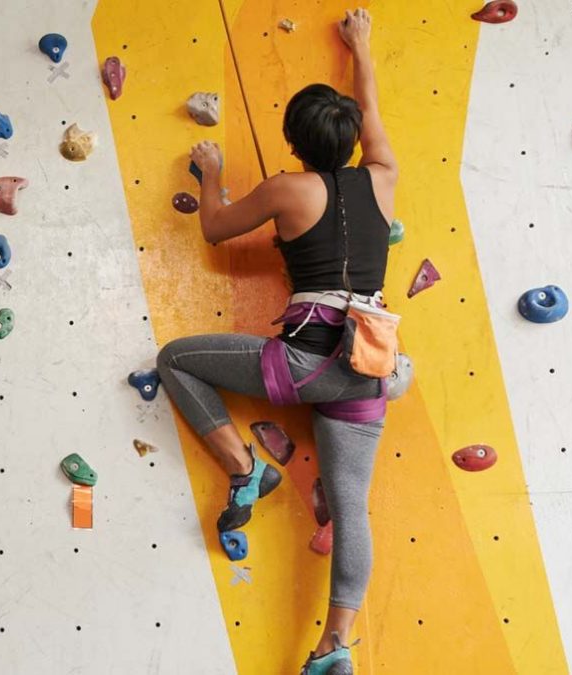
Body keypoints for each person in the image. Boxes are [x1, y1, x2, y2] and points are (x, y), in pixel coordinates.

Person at [156, 9, 395, 675]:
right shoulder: (383, 175)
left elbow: (214, 230)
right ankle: (336, 643)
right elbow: (369, 104)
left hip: (306, 361)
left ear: (292, 140)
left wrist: (209, 170)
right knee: (352, 508)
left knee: (176, 359)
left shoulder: (286, 189)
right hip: (372, 363)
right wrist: (361, 45)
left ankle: (244, 469)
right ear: (351, 136)